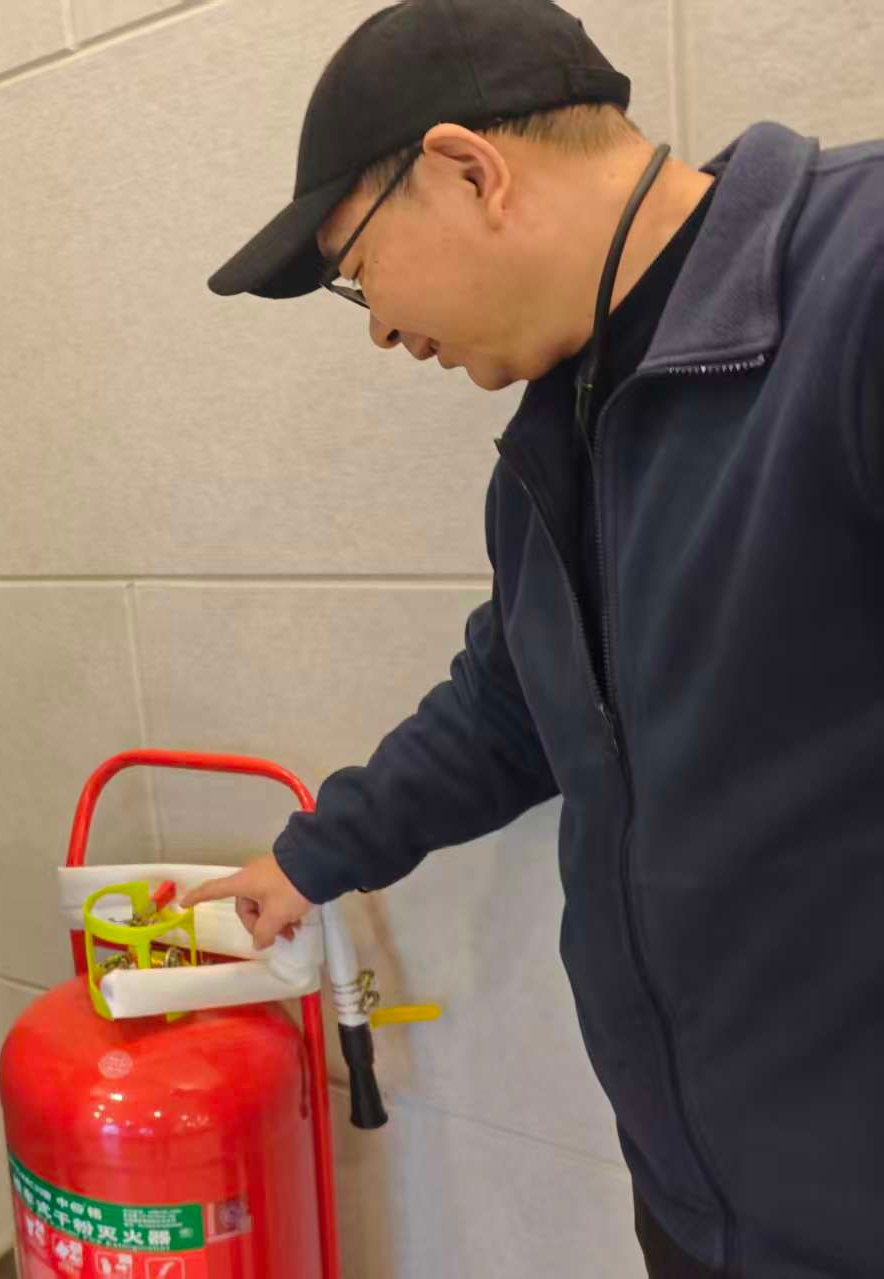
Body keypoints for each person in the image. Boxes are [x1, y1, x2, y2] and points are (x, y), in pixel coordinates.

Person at [182, 2, 884, 1275]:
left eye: (357, 270)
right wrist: (311, 856)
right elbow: (510, 705)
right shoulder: (558, 444)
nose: (378, 327)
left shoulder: (858, 283)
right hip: (699, 1201)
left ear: (467, 170)